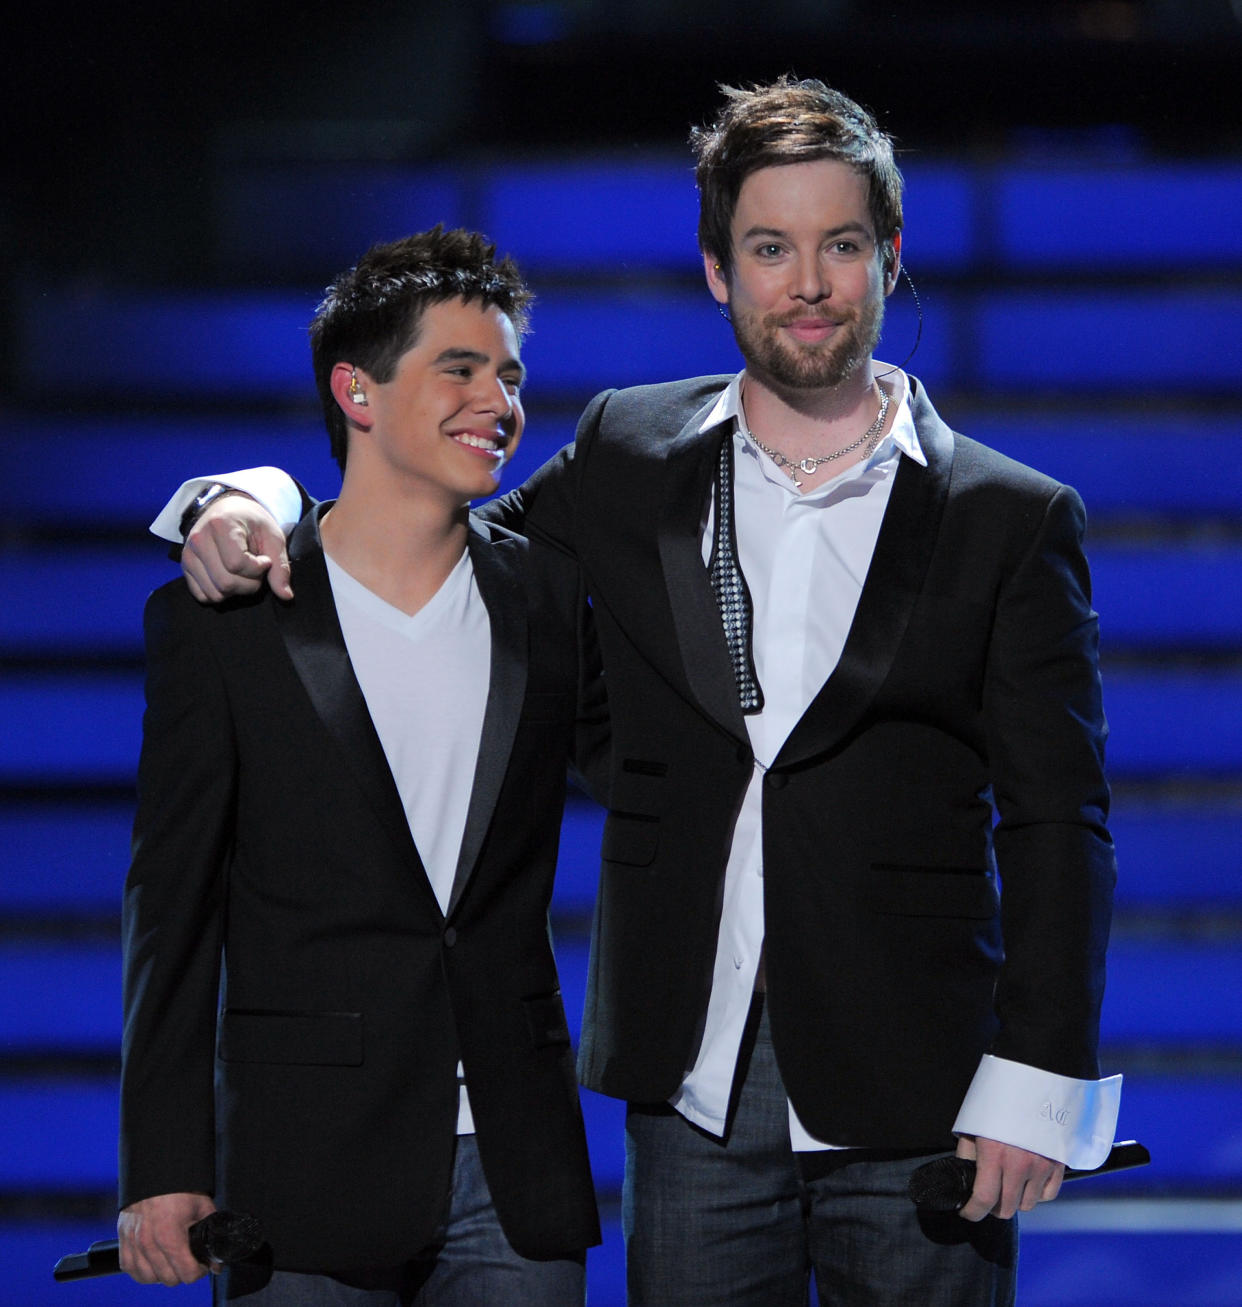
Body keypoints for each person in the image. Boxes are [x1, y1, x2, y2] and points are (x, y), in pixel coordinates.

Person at [153, 78, 1121, 1306]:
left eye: (839, 246)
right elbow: (423, 537)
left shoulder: (1011, 516)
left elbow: (1060, 820)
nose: (808, 283)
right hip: (691, 1089)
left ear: (888, 256)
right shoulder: (627, 449)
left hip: (925, 1090)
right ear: (719, 269)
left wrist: (1037, 1078)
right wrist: (247, 493)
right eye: (771, 247)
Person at [118, 227, 607, 1305]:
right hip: (302, 1170)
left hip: (513, 1166)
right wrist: (163, 1167)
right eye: (461, 369)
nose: (501, 399)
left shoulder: (548, 600)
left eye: (512, 374)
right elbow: (173, 909)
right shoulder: (225, 622)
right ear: (358, 391)